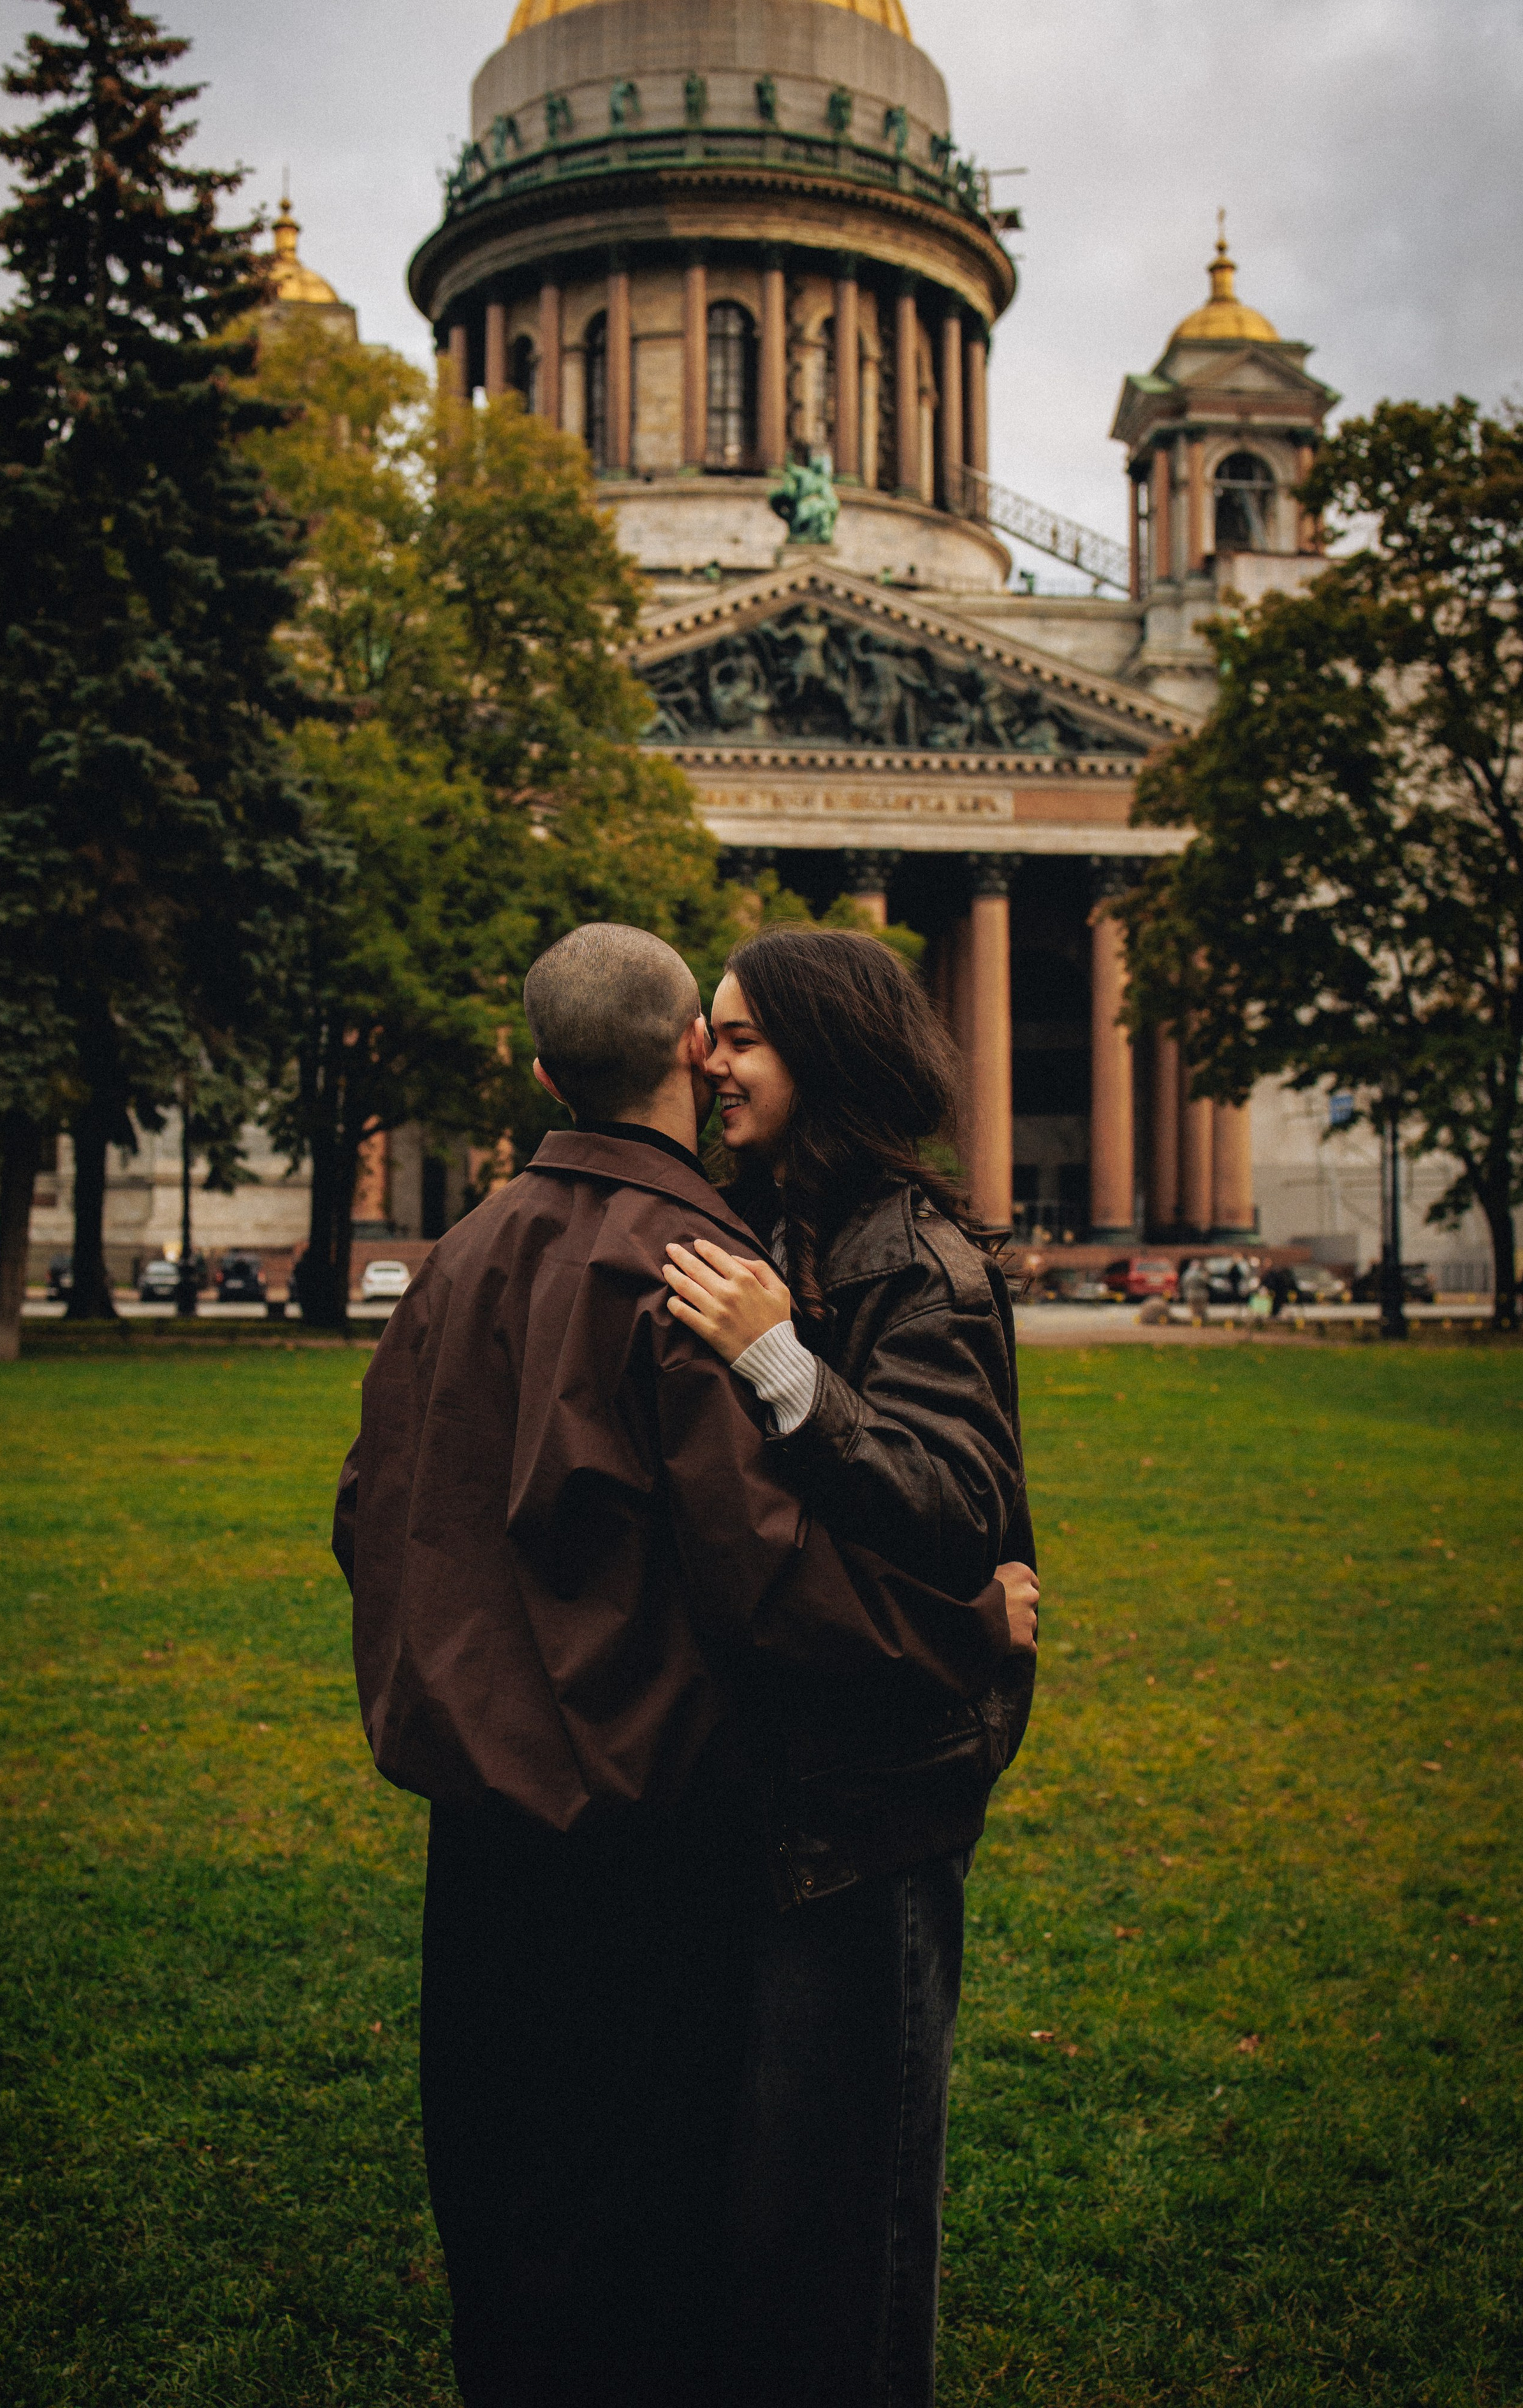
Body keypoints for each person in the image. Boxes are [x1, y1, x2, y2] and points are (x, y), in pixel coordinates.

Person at [332, 923, 1035, 2408]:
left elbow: (370, 1520)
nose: (725, 1058)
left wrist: (452, 1709)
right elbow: (767, 1572)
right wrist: (971, 1629)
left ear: (533, 1072)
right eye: (715, 1033)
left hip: (483, 1829)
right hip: (643, 1826)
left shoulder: (454, 1259)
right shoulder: (692, 1268)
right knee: (654, 2241)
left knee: (514, 2222)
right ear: (684, 1053)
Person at [660, 924, 1038, 2408]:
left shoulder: (914, 1262)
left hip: (874, 1810)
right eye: (708, 1030)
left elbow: (954, 1514)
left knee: (846, 2234)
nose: (710, 1057)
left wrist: (779, 1367)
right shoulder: (787, 1225)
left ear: (826, 1053)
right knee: (767, 2213)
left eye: (742, 1035)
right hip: (787, 1789)